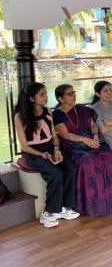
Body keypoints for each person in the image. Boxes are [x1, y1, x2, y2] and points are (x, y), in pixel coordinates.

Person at [14, 82, 80, 228]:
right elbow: (24, 146)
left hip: (50, 147)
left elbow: (54, 136)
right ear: (32, 98)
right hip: (32, 153)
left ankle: (65, 207)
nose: (46, 97)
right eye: (42, 94)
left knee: (70, 167)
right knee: (55, 173)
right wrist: (42, 154)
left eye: (46, 93)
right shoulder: (20, 117)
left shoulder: (48, 112)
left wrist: (56, 150)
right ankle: (49, 212)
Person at [53, 84, 112, 216]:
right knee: (87, 163)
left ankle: (110, 201)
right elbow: (65, 135)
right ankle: (90, 205)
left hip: (90, 142)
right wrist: (84, 140)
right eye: (70, 94)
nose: (74, 95)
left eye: (74, 92)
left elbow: (93, 126)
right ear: (60, 99)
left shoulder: (81, 109)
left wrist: (95, 135)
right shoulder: (57, 114)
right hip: (73, 145)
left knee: (109, 157)